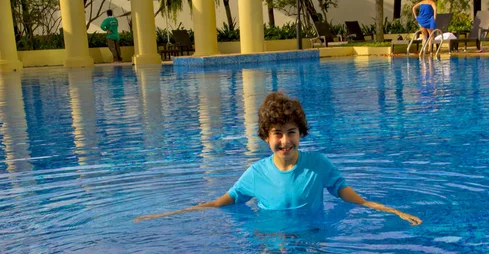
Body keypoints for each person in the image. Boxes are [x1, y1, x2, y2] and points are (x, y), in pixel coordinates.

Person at [134, 92, 422, 226]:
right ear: (265, 137)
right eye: (277, 134)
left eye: (291, 132)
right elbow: (222, 201)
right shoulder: (255, 174)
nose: (285, 141)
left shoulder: (318, 165)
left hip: (312, 232)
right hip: (272, 237)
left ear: (301, 133)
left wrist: (394, 212)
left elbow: (356, 199)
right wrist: (169, 214)